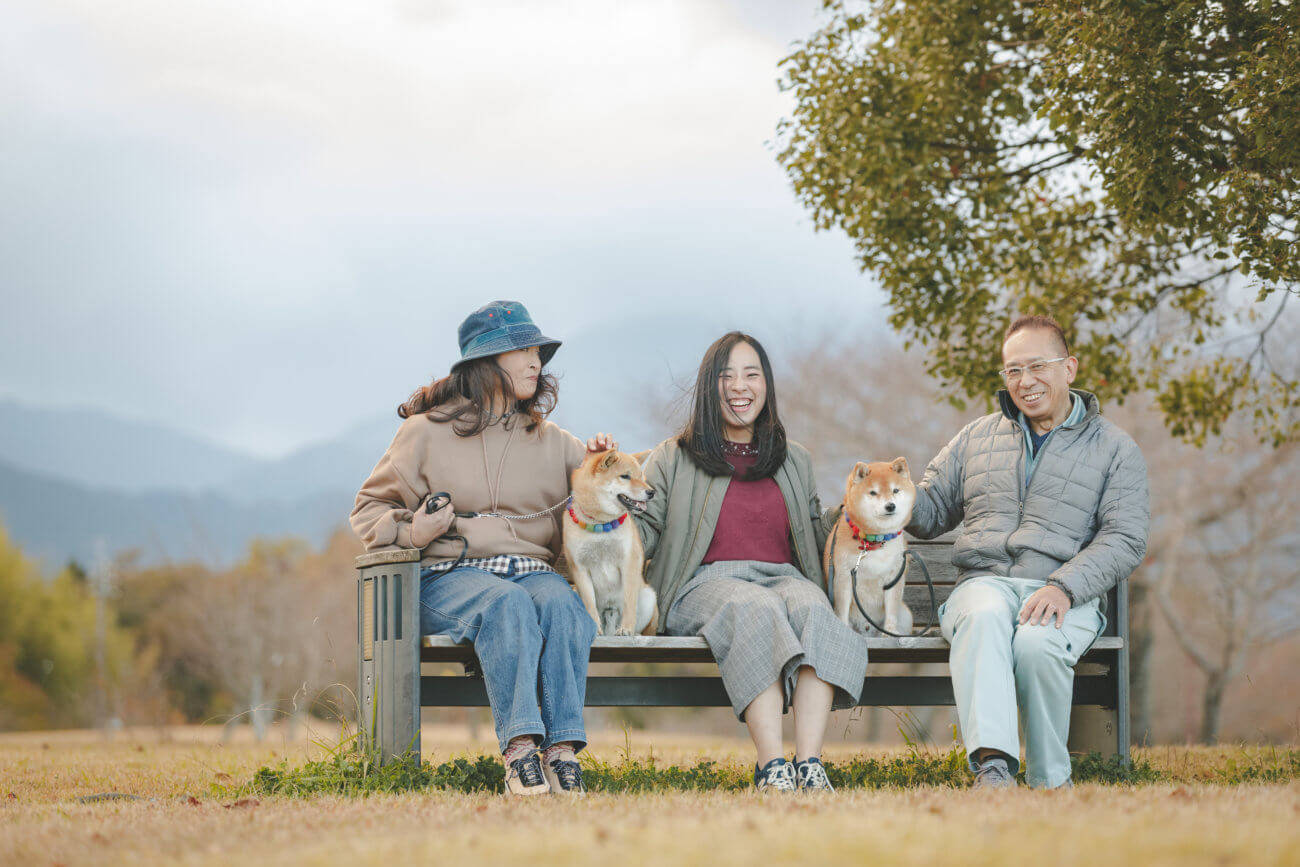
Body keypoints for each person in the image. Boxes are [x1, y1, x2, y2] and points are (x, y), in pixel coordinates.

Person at [350, 300, 614, 796]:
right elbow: (367, 510)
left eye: (538, 352)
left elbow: (607, 512)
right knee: (505, 603)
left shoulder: (556, 442)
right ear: (485, 361)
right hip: (447, 576)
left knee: (564, 607)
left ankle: (561, 752)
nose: (536, 362)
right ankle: (520, 752)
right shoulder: (424, 431)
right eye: (522, 351)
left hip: (532, 572)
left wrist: (601, 468)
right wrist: (414, 533)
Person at [907, 314, 1149, 789]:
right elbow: (931, 512)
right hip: (983, 584)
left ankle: (1050, 781)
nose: (1025, 381)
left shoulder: (1116, 449)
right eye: (1013, 370)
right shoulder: (977, 437)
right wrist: (890, 494)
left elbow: (1125, 538)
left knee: (1038, 646)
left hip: (1064, 593)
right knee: (983, 615)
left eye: (1037, 366)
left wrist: (1064, 588)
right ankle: (993, 769)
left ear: (1069, 368)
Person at [634, 332, 868, 793]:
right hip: (702, 585)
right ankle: (771, 767)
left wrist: (857, 511)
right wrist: (602, 503)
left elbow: (814, 533)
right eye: (727, 376)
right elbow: (642, 533)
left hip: (785, 579)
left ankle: (809, 765)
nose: (740, 386)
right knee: (756, 608)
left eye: (751, 375)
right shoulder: (672, 457)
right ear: (709, 386)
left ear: (766, 385)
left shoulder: (794, 459)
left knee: (813, 608)